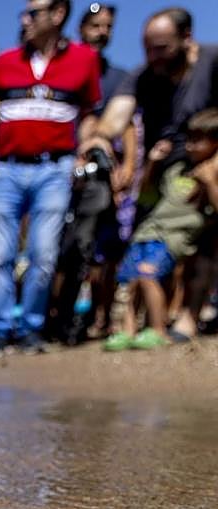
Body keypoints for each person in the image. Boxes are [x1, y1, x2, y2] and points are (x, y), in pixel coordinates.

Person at [0, 0, 102, 355]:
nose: (25, 19)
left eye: (34, 12)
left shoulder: (84, 60)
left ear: (58, 14)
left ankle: (31, 329)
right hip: (6, 169)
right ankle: (0, 328)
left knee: (44, 253)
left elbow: (91, 114)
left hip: (55, 168)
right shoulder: (5, 62)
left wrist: (86, 147)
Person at [90, 7, 218, 339]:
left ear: (186, 37)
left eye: (161, 47)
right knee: (149, 245)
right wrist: (100, 137)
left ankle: (188, 317)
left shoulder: (212, 60)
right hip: (157, 172)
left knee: (202, 247)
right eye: (147, 47)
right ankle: (147, 324)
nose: (152, 56)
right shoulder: (144, 75)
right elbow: (117, 116)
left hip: (204, 168)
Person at [48, 3, 139, 343]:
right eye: (96, 26)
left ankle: (97, 320)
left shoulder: (118, 76)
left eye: (108, 26)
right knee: (62, 250)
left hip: (101, 175)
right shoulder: (62, 68)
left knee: (101, 250)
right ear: (80, 28)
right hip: (61, 169)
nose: (103, 32)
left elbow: (127, 124)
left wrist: (128, 165)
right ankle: (57, 317)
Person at [105, 108, 218, 349]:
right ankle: (128, 331)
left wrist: (209, 182)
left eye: (198, 140)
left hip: (175, 235)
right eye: (189, 139)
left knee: (148, 275)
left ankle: (157, 329)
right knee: (129, 279)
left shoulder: (211, 172)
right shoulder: (177, 169)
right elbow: (145, 194)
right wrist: (152, 162)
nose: (190, 145)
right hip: (148, 230)